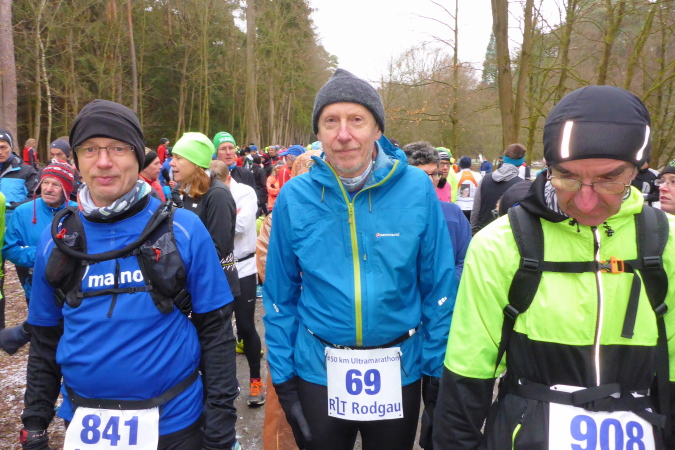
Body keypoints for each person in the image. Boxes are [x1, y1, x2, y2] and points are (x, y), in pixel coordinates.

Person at [434, 85, 675, 449]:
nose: (586, 200)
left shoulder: (667, 242)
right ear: (547, 168)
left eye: (609, 178)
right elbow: (467, 371)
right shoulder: (500, 244)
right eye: (567, 177)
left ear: (637, 170)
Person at [21, 100, 240, 450]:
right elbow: (45, 340)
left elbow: (216, 331)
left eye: (117, 148)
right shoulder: (58, 238)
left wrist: (220, 428)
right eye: (90, 149)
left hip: (174, 424)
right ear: (76, 161)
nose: (103, 161)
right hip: (85, 423)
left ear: (138, 156)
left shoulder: (182, 229)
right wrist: (34, 425)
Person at [264, 68, 456, 450]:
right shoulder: (294, 197)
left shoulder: (417, 188)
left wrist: (437, 374)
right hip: (319, 368)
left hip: (398, 367)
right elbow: (279, 295)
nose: (343, 134)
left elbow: (439, 288)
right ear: (318, 133)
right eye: (330, 121)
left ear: (377, 129)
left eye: (356, 120)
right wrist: (283, 378)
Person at [0, 162, 76, 355]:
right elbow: (9, 249)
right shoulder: (23, 212)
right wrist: (44, 255)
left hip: (73, 288)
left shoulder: (78, 212)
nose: (48, 189)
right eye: (45, 183)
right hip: (35, 286)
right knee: (44, 339)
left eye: (56, 184)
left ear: (67, 189)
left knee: (72, 337)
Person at [210, 160, 266, 407]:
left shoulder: (245, 192)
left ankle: (255, 381)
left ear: (227, 178)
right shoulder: (206, 193)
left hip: (242, 266)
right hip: (216, 268)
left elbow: (241, 226)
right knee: (217, 328)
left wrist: (216, 217)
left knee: (245, 325)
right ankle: (222, 385)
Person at [171, 132, 240, 300]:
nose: (172, 163)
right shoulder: (190, 191)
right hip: (197, 285)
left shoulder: (217, 194)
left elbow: (217, 250)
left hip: (215, 290)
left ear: (195, 163)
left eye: (178, 158)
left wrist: (175, 264)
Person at [404, 142, 471, 284]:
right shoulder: (391, 216)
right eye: (421, 175)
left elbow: (467, 260)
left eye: (434, 174)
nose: (429, 180)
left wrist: (444, 288)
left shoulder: (453, 214)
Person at [470, 143, 527, 234]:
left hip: (482, 232)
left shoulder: (485, 179)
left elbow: (476, 208)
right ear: (521, 162)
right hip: (506, 235)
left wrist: (473, 229)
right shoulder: (522, 185)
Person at [455, 156, 482, 221]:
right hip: (473, 206)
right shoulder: (478, 176)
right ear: (470, 165)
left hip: (459, 206)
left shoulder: (455, 176)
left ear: (460, 165)